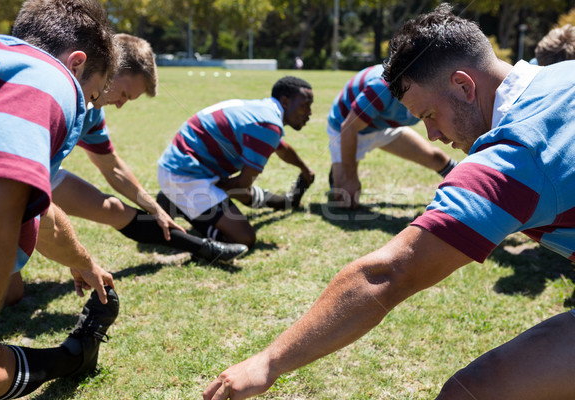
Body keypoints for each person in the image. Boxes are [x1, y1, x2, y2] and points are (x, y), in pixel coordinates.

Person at [203, 4, 575, 399]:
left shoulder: (513, 154)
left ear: (465, 86)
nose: (431, 134)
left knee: (468, 393)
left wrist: (268, 361)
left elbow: (388, 274)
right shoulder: (563, 73)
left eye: (430, 114)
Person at [6, 34, 248, 305]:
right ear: (110, 69)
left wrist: (154, 208)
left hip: (40, 175)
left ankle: (204, 248)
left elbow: (113, 168)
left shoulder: (92, 110)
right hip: (8, 177)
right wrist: (75, 257)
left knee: (115, 210)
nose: (121, 104)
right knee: (11, 294)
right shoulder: (55, 96)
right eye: (123, 94)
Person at [0, 0, 121, 398]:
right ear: (75, 63)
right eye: (90, 96)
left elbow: (25, 201)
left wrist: (84, 261)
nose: (86, 107)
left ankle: (74, 357)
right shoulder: (46, 77)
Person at [156, 76, 315, 248]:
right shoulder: (269, 125)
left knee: (236, 190)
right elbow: (242, 184)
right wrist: (221, 189)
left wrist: (304, 169)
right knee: (243, 238)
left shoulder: (264, 110)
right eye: (305, 105)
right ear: (285, 101)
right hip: (185, 175)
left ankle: (180, 199)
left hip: (178, 165)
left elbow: (281, 148)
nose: (309, 112)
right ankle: (179, 205)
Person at [327, 64, 457, 209]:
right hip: (349, 128)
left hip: (383, 127)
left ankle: (468, 187)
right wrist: (350, 177)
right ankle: (340, 169)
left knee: (436, 158)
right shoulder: (381, 88)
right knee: (344, 200)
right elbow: (349, 128)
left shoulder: (431, 88)